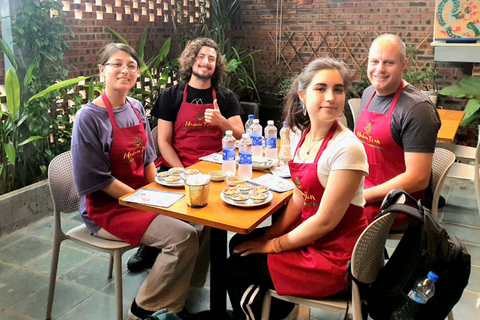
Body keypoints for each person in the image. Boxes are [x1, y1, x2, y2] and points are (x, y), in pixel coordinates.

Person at [71, 43, 209, 319]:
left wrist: (160, 194)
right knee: (182, 237)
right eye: (117, 64)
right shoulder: (89, 118)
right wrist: (147, 202)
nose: (125, 70)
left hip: (141, 196)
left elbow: (147, 159)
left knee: (202, 219)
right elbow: (98, 181)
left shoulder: (135, 107)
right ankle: (144, 309)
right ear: (102, 71)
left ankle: (178, 296)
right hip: (107, 209)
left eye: (132, 66)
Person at [225, 58, 369, 320]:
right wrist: (270, 232)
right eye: (321, 88)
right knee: (240, 242)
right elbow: (301, 196)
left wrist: (274, 245)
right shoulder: (303, 137)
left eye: (338, 89)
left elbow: (325, 222)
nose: (331, 97)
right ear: (303, 95)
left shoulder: (348, 147)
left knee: (238, 263)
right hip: (315, 239)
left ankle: (259, 313)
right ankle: (274, 310)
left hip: (335, 256)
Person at [128, 37, 245, 272]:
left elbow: (241, 135)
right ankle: (150, 245)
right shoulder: (171, 95)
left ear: (217, 66)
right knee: (167, 205)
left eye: (211, 59)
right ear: (190, 61)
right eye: (201, 56)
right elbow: (163, 141)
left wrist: (222, 122)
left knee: (214, 214)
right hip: (177, 166)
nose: (205, 62)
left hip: (216, 170)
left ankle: (195, 260)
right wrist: (182, 170)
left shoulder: (225, 97)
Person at [355, 34, 441, 225]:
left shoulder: (417, 110)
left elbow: (418, 178)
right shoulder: (369, 93)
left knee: (332, 223)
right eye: (374, 61)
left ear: (403, 64)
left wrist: (363, 196)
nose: (380, 69)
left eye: (389, 63)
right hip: (364, 186)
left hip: (399, 202)